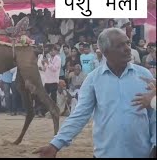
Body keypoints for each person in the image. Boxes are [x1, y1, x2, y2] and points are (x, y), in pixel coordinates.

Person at [34, 28, 156, 158]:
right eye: (120, 45)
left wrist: (155, 145)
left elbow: (154, 116)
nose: (127, 48)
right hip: (105, 154)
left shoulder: (144, 75)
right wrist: (55, 145)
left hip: (142, 153)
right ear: (105, 52)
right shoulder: (93, 79)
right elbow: (80, 115)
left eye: (128, 43)